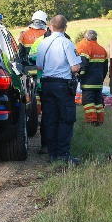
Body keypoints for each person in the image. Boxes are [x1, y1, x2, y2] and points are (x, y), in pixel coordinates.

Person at [35, 15, 82, 165]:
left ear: (50, 26)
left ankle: (52, 154)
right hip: (63, 86)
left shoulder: (44, 43)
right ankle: (63, 155)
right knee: (66, 119)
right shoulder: (67, 43)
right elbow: (75, 67)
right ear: (65, 27)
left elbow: (39, 66)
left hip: (47, 85)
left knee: (49, 119)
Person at [75, 30, 109, 126]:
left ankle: (92, 121)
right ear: (96, 38)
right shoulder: (102, 50)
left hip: (88, 82)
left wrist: (79, 76)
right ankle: (100, 120)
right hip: (99, 82)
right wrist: (101, 79)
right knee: (98, 102)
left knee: (88, 102)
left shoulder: (85, 48)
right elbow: (105, 68)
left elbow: (83, 65)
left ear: (86, 38)